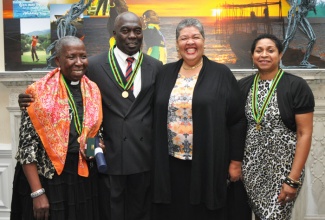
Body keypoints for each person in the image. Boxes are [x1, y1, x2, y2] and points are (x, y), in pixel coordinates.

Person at [18, 11, 163, 220]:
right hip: (106, 163)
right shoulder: (92, 65)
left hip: (140, 158)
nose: (132, 35)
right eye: (125, 30)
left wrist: (94, 146)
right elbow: (59, 82)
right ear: (114, 33)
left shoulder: (156, 66)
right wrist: (27, 98)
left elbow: (92, 122)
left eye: (137, 31)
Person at [152, 18, 246, 220]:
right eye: (184, 38)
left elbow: (237, 119)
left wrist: (236, 162)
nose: (190, 42)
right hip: (171, 165)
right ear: (177, 44)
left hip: (209, 163)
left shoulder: (221, 73)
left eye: (195, 37)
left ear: (204, 40)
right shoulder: (165, 73)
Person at [11, 36, 103, 220]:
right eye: (71, 57)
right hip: (48, 178)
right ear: (58, 61)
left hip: (81, 177)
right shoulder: (38, 92)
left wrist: (92, 150)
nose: (79, 62)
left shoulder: (93, 89)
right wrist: (37, 193)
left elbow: (95, 131)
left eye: (83, 56)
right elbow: (26, 149)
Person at [238, 33, 314, 219]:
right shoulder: (242, 86)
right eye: (259, 50)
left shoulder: (296, 86)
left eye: (270, 50)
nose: (264, 54)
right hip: (251, 170)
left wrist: (293, 179)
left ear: (280, 55)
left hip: (283, 171)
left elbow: (304, 134)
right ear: (252, 56)